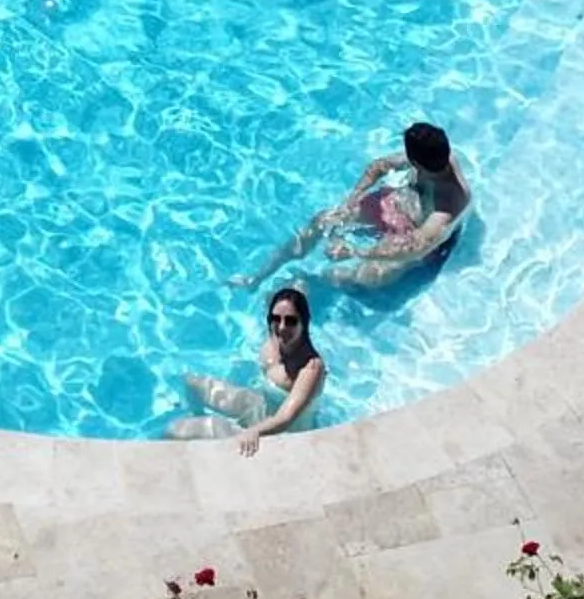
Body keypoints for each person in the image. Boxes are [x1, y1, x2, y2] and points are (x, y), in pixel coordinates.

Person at [238, 123, 471, 290]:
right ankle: (259, 276)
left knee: (370, 277)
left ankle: (312, 282)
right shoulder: (434, 155)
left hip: (416, 236)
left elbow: (416, 247)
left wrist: (355, 251)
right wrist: (353, 197)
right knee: (323, 220)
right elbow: (380, 166)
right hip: (396, 205)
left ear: (416, 162)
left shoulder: (450, 203)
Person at [170, 286, 327, 454]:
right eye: (276, 318)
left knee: (176, 429)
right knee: (193, 383)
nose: (282, 327)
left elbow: (285, 418)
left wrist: (254, 431)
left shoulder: (310, 368)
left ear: (304, 323)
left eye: (291, 321)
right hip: (262, 408)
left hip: (282, 433)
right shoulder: (276, 340)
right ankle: (196, 414)